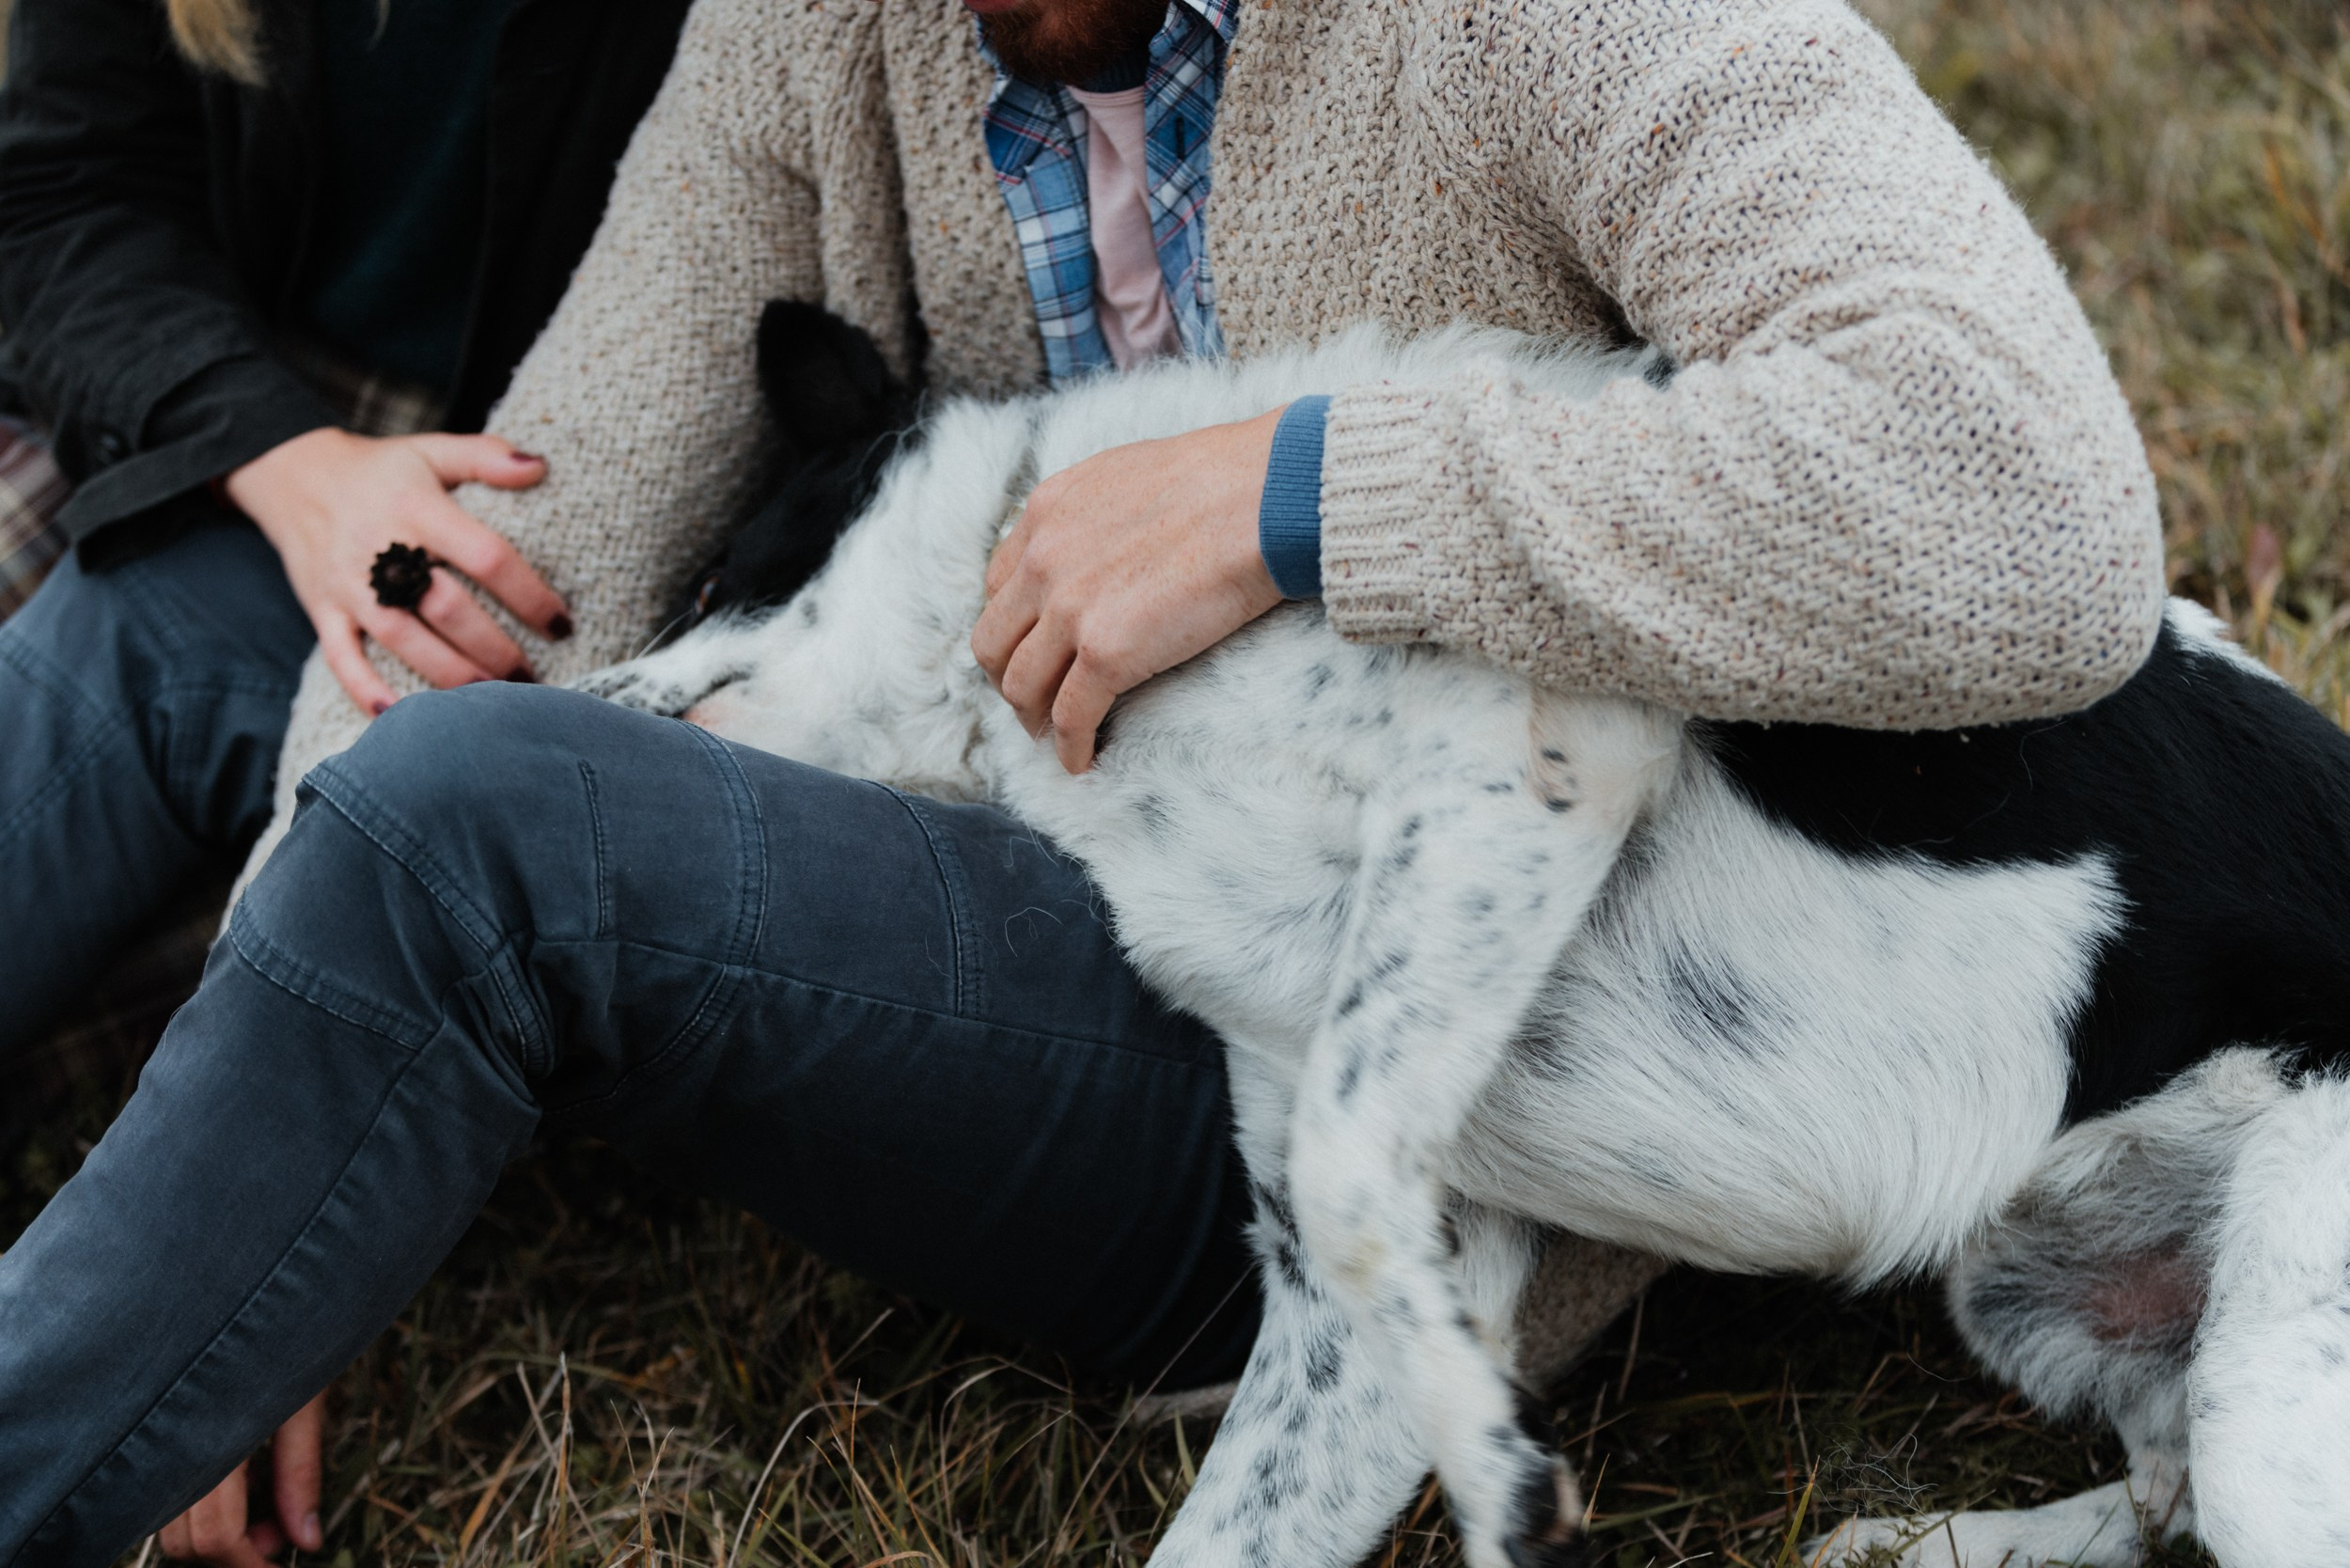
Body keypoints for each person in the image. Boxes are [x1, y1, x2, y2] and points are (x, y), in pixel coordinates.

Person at [0, 0, 2169, 1559]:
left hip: (1353, 1064)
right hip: (1013, 836)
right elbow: (530, 558)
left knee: (466, 819)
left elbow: (2026, 511)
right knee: (202, 629)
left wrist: (1301, 494)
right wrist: (244, 1218)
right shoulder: (811, 39)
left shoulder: (1541, 25)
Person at [0, 0, 692, 1556]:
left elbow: (685, 406)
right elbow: (60, 194)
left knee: (213, 731)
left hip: (554, 477)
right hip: (207, 376)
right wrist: (288, 462)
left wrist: (239, 1238)